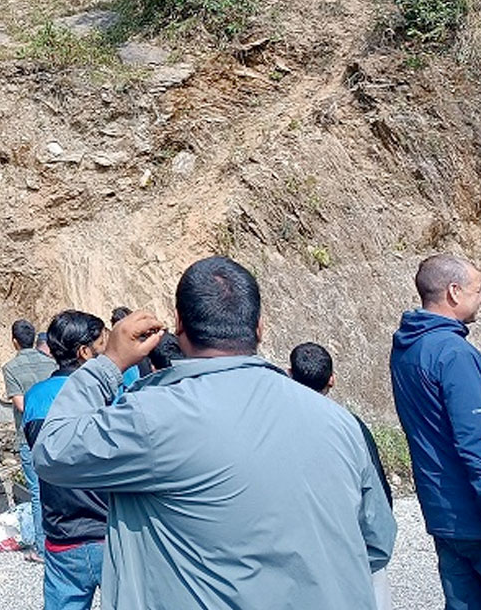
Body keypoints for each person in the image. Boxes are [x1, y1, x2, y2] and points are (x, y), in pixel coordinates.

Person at [33, 256, 395, 610]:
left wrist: (108, 364)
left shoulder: (154, 417)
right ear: (260, 327)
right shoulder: (340, 421)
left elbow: (53, 450)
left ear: (179, 325)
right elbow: (377, 543)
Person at [391, 254, 481, 609]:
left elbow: (472, 408)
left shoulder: (409, 348)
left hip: (447, 520)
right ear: (454, 292)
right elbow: (478, 443)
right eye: (479, 289)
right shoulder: (455, 353)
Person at [290, 341, 393, 609]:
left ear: (289, 374)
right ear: (332, 380)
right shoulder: (350, 426)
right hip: (354, 555)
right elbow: (378, 499)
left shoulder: (274, 427)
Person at [23, 310, 109, 610]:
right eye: (103, 345)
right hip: (109, 533)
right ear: (85, 352)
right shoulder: (108, 393)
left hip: (61, 533)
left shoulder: (35, 397)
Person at [1, 318, 55, 560]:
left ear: (14, 342)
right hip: (56, 432)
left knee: (38, 491)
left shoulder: (11, 368)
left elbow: (21, 404)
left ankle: (42, 548)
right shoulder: (51, 363)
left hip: (28, 436)